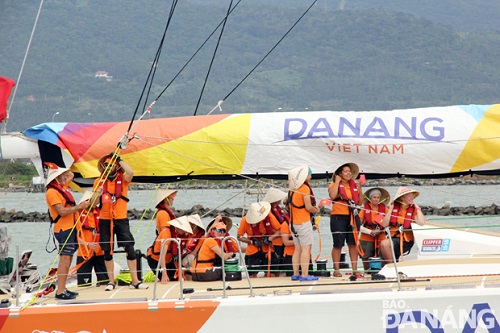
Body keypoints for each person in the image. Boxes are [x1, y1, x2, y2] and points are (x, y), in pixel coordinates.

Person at [94, 152, 148, 291]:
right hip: (105, 219)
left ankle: (135, 281)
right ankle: (111, 282)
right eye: (105, 165)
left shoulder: (123, 179)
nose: (108, 167)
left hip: (121, 218)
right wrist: (97, 194)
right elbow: (93, 204)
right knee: (107, 250)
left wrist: (119, 159)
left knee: (129, 248)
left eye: (111, 165)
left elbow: (130, 171)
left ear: (116, 167)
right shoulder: (98, 181)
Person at [45, 163, 90, 300]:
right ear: (56, 178)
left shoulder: (61, 188)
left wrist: (67, 167)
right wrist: (80, 207)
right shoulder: (52, 192)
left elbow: (71, 175)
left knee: (68, 258)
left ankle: (63, 288)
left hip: (70, 228)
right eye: (61, 176)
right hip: (63, 229)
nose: (65, 177)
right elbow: (62, 211)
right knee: (64, 259)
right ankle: (60, 291)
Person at [328, 162, 363, 278]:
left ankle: (354, 269)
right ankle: (336, 269)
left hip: (353, 215)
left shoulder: (353, 185)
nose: (348, 173)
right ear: (340, 174)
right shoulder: (333, 184)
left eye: (349, 171)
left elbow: (359, 202)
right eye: (346, 171)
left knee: (353, 243)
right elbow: (333, 196)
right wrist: (337, 181)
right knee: (338, 243)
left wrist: (359, 189)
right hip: (338, 215)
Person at [287, 165, 320, 282]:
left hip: (293, 223)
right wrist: (316, 209)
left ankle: (295, 274)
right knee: (306, 249)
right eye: (310, 174)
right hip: (303, 222)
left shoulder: (292, 189)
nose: (311, 177)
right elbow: (308, 207)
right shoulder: (305, 188)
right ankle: (305, 275)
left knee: (297, 249)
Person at [380, 186, 426, 265]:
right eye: (409, 196)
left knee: (384, 243)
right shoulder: (394, 207)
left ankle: (392, 266)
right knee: (382, 252)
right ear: (402, 198)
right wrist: (390, 209)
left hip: (405, 240)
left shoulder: (413, 210)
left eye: (412, 196)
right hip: (393, 237)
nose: (411, 197)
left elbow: (421, 222)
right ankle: (389, 268)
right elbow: (384, 224)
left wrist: (417, 208)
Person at [237, 202, 281, 277]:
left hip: (268, 249)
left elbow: (279, 231)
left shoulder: (269, 216)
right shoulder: (245, 220)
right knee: (252, 275)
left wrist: (270, 239)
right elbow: (239, 237)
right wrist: (252, 242)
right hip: (253, 250)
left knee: (273, 273)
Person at [75, 191, 109, 286]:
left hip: (99, 252)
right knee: (83, 284)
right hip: (84, 254)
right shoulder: (77, 215)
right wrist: (88, 244)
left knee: (104, 282)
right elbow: (74, 237)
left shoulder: (100, 212)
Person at [146, 216, 192, 283]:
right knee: (166, 280)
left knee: (175, 279)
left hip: (169, 260)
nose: (185, 231)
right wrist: (164, 273)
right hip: (156, 259)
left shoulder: (180, 235)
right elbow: (162, 254)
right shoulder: (166, 234)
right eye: (184, 229)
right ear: (178, 228)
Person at [358, 188, 389, 273]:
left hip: (381, 236)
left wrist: (380, 230)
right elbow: (358, 225)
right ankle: (367, 272)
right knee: (365, 256)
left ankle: (382, 272)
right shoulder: (364, 210)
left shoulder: (385, 210)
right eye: (374, 197)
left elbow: (388, 223)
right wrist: (370, 232)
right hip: (367, 237)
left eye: (378, 197)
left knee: (383, 256)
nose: (376, 199)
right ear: (370, 198)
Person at [264, 187, 289, 275]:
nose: (279, 201)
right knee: (275, 265)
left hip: (281, 239)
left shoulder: (278, 210)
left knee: (281, 263)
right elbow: (273, 228)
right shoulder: (269, 213)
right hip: (275, 242)